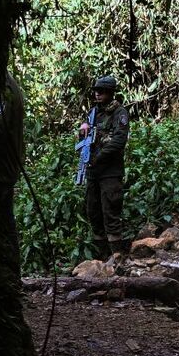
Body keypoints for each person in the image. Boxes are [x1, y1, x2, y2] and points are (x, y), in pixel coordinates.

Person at [78, 75, 130, 262]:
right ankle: (101, 258)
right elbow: (84, 141)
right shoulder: (93, 113)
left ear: (110, 93)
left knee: (111, 212)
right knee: (93, 212)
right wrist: (82, 133)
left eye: (101, 91)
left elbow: (119, 141)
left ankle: (117, 257)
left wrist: (99, 156)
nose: (97, 94)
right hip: (93, 172)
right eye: (96, 91)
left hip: (110, 173)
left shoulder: (119, 113)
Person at [0, 70, 25, 276]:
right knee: (5, 222)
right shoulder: (6, 83)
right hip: (4, 167)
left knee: (2, 224)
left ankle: (10, 276)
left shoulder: (2, 88)